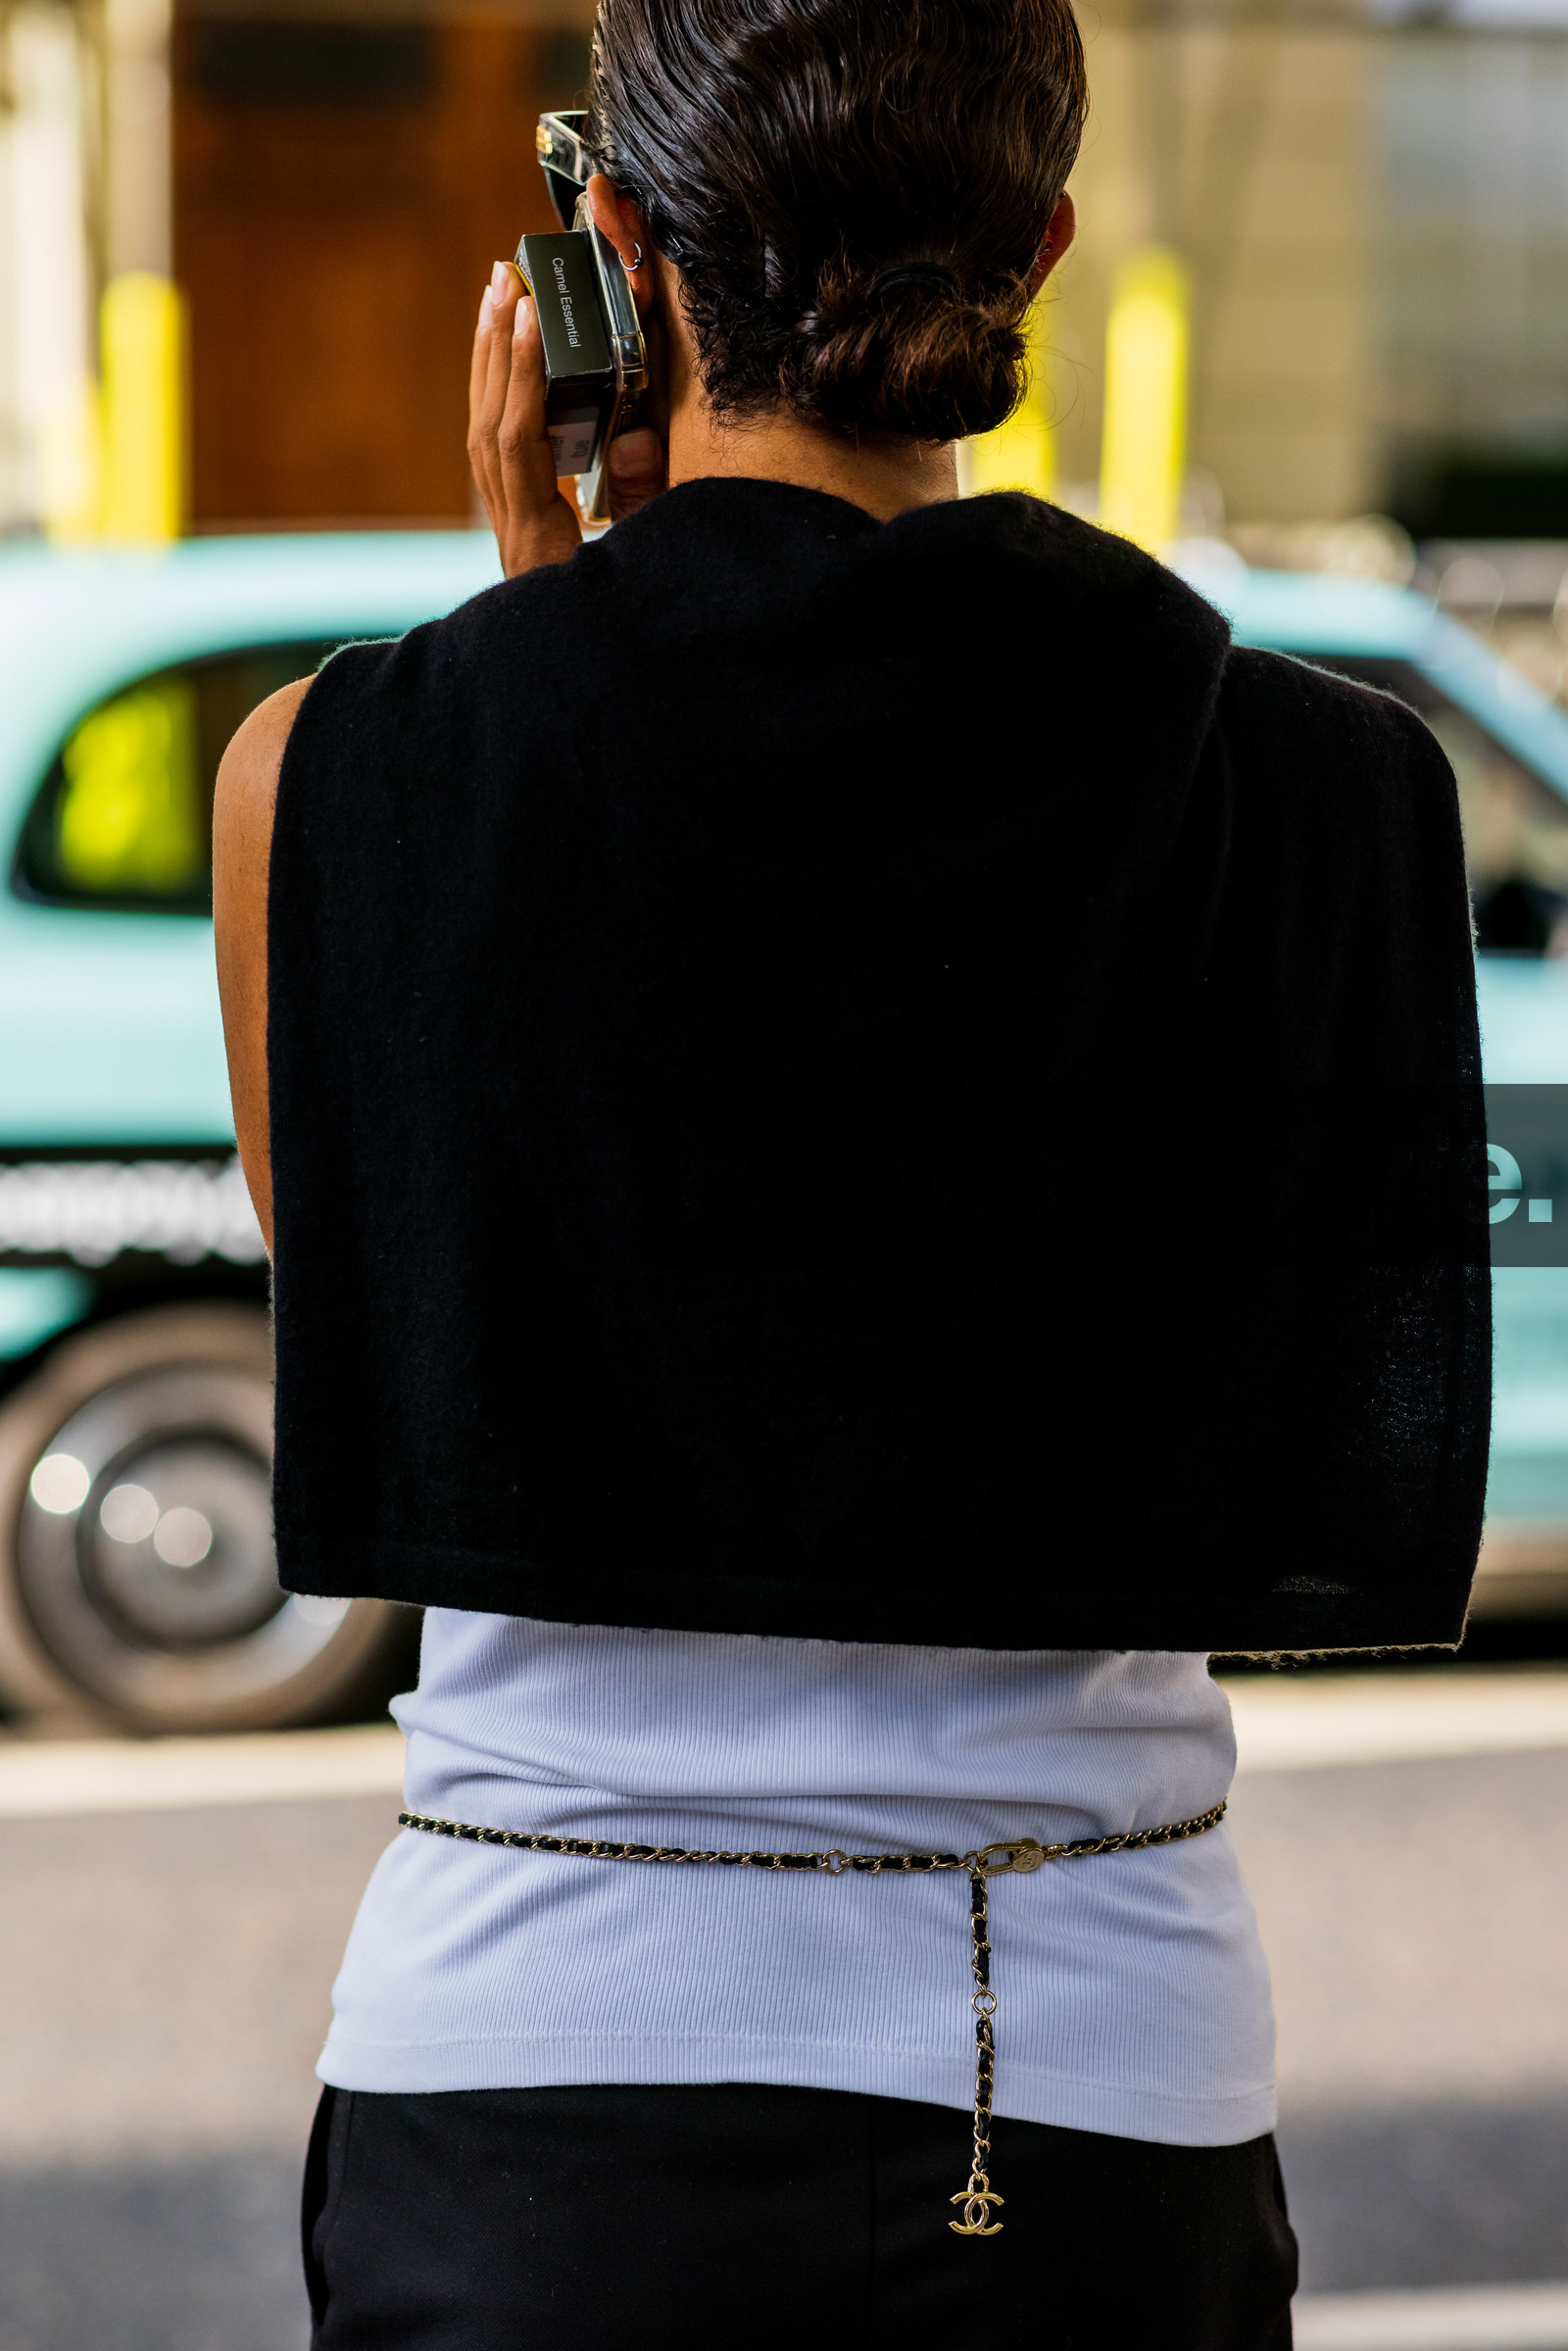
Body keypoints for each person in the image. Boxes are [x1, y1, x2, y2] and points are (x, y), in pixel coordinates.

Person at [212, 0, 1489, 2341]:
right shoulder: (1321, 791)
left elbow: (400, 1300)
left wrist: (535, 640)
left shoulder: (334, 777)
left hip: (528, 2073)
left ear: (613, 246)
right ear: (1040, 249)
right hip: (1090, 2054)